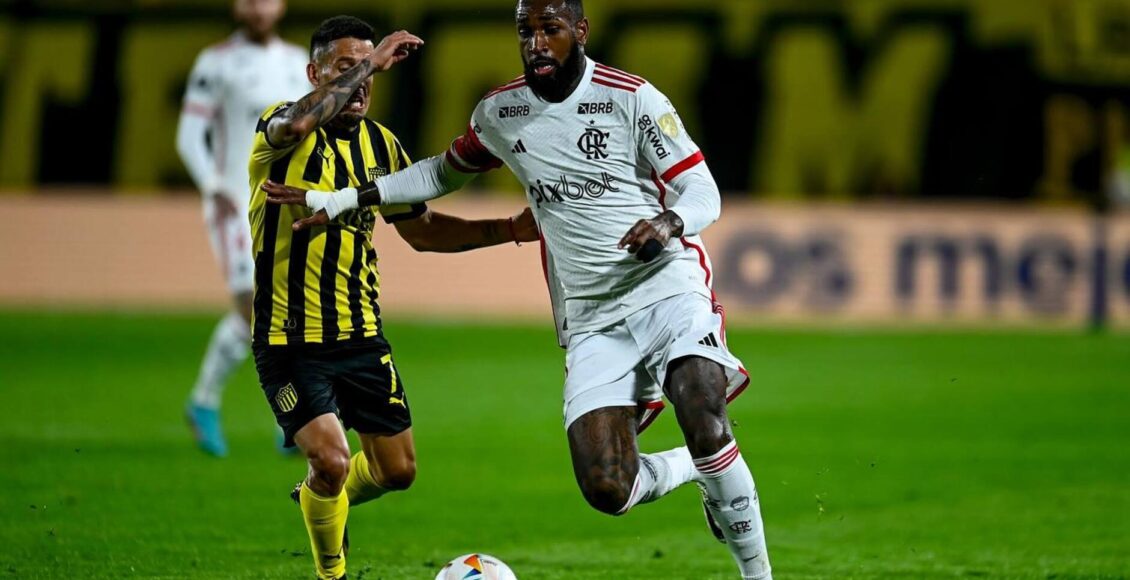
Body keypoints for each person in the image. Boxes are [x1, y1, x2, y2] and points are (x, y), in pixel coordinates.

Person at [264, 1, 772, 577]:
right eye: (525, 31)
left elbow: (704, 193)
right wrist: (341, 200)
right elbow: (440, 173)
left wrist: (669, 223)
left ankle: (757, 570)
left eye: (549, 29)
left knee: (700, 403)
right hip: (590, 316)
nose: (535, 43)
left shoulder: (633, 98)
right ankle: (700, 469)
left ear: (579, 31)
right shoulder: (502, 113)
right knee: (609, 488)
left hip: (666, 286)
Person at [250, 16, 537, 580]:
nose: (361, 85)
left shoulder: (383, 145)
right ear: (314, 73)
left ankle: (317, 499)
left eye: (367, 76)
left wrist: (507, 229)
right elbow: (301, 119)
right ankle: (330, 571)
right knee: (331, 461)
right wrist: (373, 59)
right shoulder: (279, 131)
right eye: (344, 70)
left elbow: (422, 230)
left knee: (397, 470)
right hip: (289, 340)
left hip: (361, 337)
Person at [176, 0, 312, 457]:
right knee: (252, 310)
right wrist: (212, 185)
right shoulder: (216, 63)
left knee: (288, 310)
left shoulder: (299, 63)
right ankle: (208, 402)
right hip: (236, 203)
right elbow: (189, 134)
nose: (259, 7)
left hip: (287, 205)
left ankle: (285, 420)